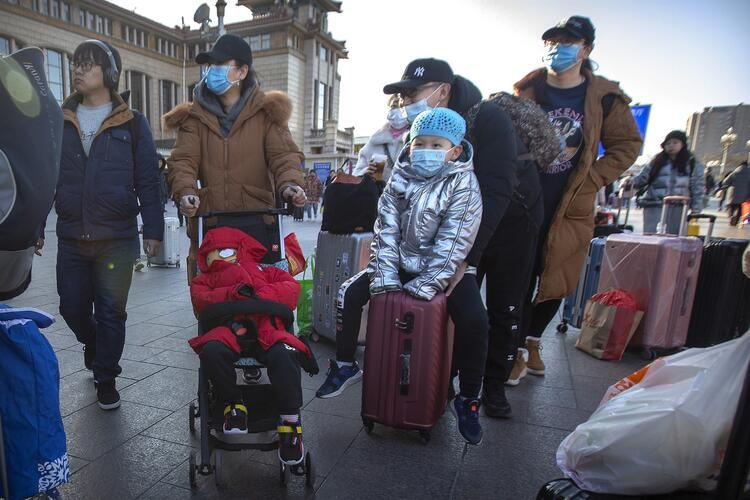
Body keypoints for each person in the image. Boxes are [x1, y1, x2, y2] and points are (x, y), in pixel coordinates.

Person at [316, 108, 489, 445]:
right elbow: (386, 230)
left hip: (448, 268)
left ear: (454, 150)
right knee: (349, 295)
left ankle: (468, 398)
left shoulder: (464, 182)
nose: (426, 150)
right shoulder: (400, 177)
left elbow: (454, 240)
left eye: (436, 144)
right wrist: (384, 277)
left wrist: (426, 284)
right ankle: (345, 364)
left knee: (475, 322)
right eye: (419, 143)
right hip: (399, 262)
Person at [515, 16, 642, 385]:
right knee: (519, 276)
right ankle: (515, 351)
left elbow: (628, 145)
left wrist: (594, 178)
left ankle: (532, 340)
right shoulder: (529, 88)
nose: (558, 48)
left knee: (558, 276)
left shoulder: (603, 96)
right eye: (553, 42)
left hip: (571, 203)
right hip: (526, 198)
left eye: (568, 42)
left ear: (585, 49)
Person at [56, 39, 164, 410]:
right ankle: (94, 343)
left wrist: (153, 229)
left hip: (117, 238)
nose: (78, 70)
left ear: (109, 73)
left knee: (111, 311)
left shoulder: (133, 124)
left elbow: (149, 179)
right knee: (71, 307)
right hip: (72, 236)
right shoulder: (60, 121)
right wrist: (34, 228)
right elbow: (43, 176)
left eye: (88, 64)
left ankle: (106, 377)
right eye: (76, 64)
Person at [164, 34, 306, 280]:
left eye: (220, 65)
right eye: (210, 66)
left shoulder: (267, 114)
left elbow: (284, 156)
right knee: (213, 298)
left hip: (258, 225)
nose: (212, 71)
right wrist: (186, 190)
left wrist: (290, 185)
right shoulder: (194, 118)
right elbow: (183, 160)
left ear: (242, 71)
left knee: (260, 296)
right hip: (212, 224)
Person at [187, 227, 314, 465]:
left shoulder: (265, 270)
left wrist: (259, 294)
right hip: (228, 329)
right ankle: (233, 404)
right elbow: (201, 300)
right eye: (214, 253)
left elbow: (291, 289)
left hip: (266, 328)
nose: (221, 257)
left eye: (227, 251)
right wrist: (233, 294)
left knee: (285, 354)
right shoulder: (204, 279)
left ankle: (290, 422)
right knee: (211, 351)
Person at [632, 130, 704, 234]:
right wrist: (630, 182)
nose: (671, 146)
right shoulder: (656, 161)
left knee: (673, 240)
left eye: (675, 142)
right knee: (651, 237)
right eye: (668, 143)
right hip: (654, 206)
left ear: (683, 144)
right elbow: (642, 178)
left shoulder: (692, 163)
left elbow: (698, 187)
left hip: (679, 208)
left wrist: (696, 210)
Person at [353, 95, 409, 188]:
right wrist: (366, 172)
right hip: (378, 197)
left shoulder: (416, 138)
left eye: (401, 106)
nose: (397, 110)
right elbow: (356, 174)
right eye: (393, 106)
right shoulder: (375, 141)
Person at [722, 161, 750, 226]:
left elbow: (725, 182)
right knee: (740, 208)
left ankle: (731, 216)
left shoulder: (734, 173)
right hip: (744, 195)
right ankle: (736, 219)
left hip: (732, 193)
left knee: (731, 207)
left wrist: (727, 186)